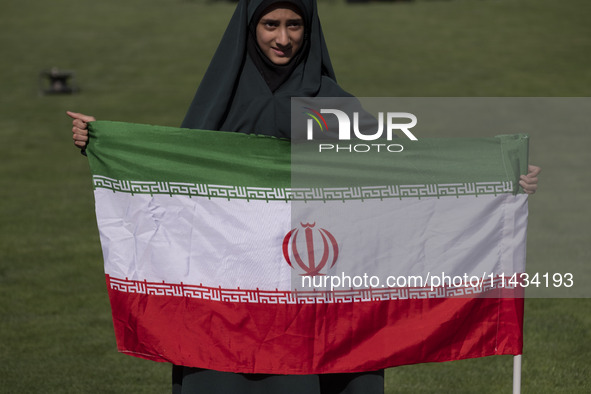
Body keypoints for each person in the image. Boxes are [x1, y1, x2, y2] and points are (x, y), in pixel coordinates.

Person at [68, 0, 541, 392]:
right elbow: (173, 187)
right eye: (270, 24)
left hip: (312, 306)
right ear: (249, 28)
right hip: (229, 299)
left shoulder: (334, 105)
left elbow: (400, 178)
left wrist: (500, 178)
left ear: (309, 28)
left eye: (295, 25)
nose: (283, 38)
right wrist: (101, 142)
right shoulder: (220, 102)